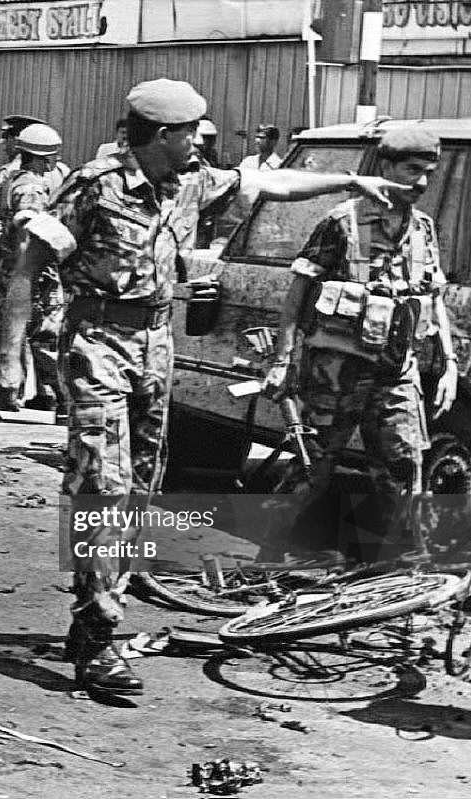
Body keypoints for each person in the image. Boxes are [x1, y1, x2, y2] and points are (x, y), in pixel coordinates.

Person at [52, 78, 408, 699]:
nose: (200, 140)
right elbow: (32, 254)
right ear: (162, 134)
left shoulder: (190, 181)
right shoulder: (93, 185)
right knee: (101, 486)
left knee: (139, 483)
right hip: (98, 342)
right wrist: (13, 348)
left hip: (156, 343)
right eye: (192, 131)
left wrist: (349, 182)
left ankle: (90, 617)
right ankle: (101, 640)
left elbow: (270, 183)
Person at [264, 125, 457, 562]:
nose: (422, 182)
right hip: (336, 372)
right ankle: (272, 560)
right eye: (412, 170)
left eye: (429, 172)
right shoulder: (342, 223)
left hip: (397, 374)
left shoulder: (424, 228)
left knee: (405, 468)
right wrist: (282, 360)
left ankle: (405, 577)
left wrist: (446, 362)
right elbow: (298, 294)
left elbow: (433, 296)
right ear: (386, 167)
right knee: (311, 468)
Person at [0, 122, 68, 421]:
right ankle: (67, 406)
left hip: (9, 272)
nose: (56, 161)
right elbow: (27, 237)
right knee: (47, 339)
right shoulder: (31, 188)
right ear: (44, 157)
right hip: (29, 275)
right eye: (54, 156)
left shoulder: (13, 180)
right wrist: (29, 278)